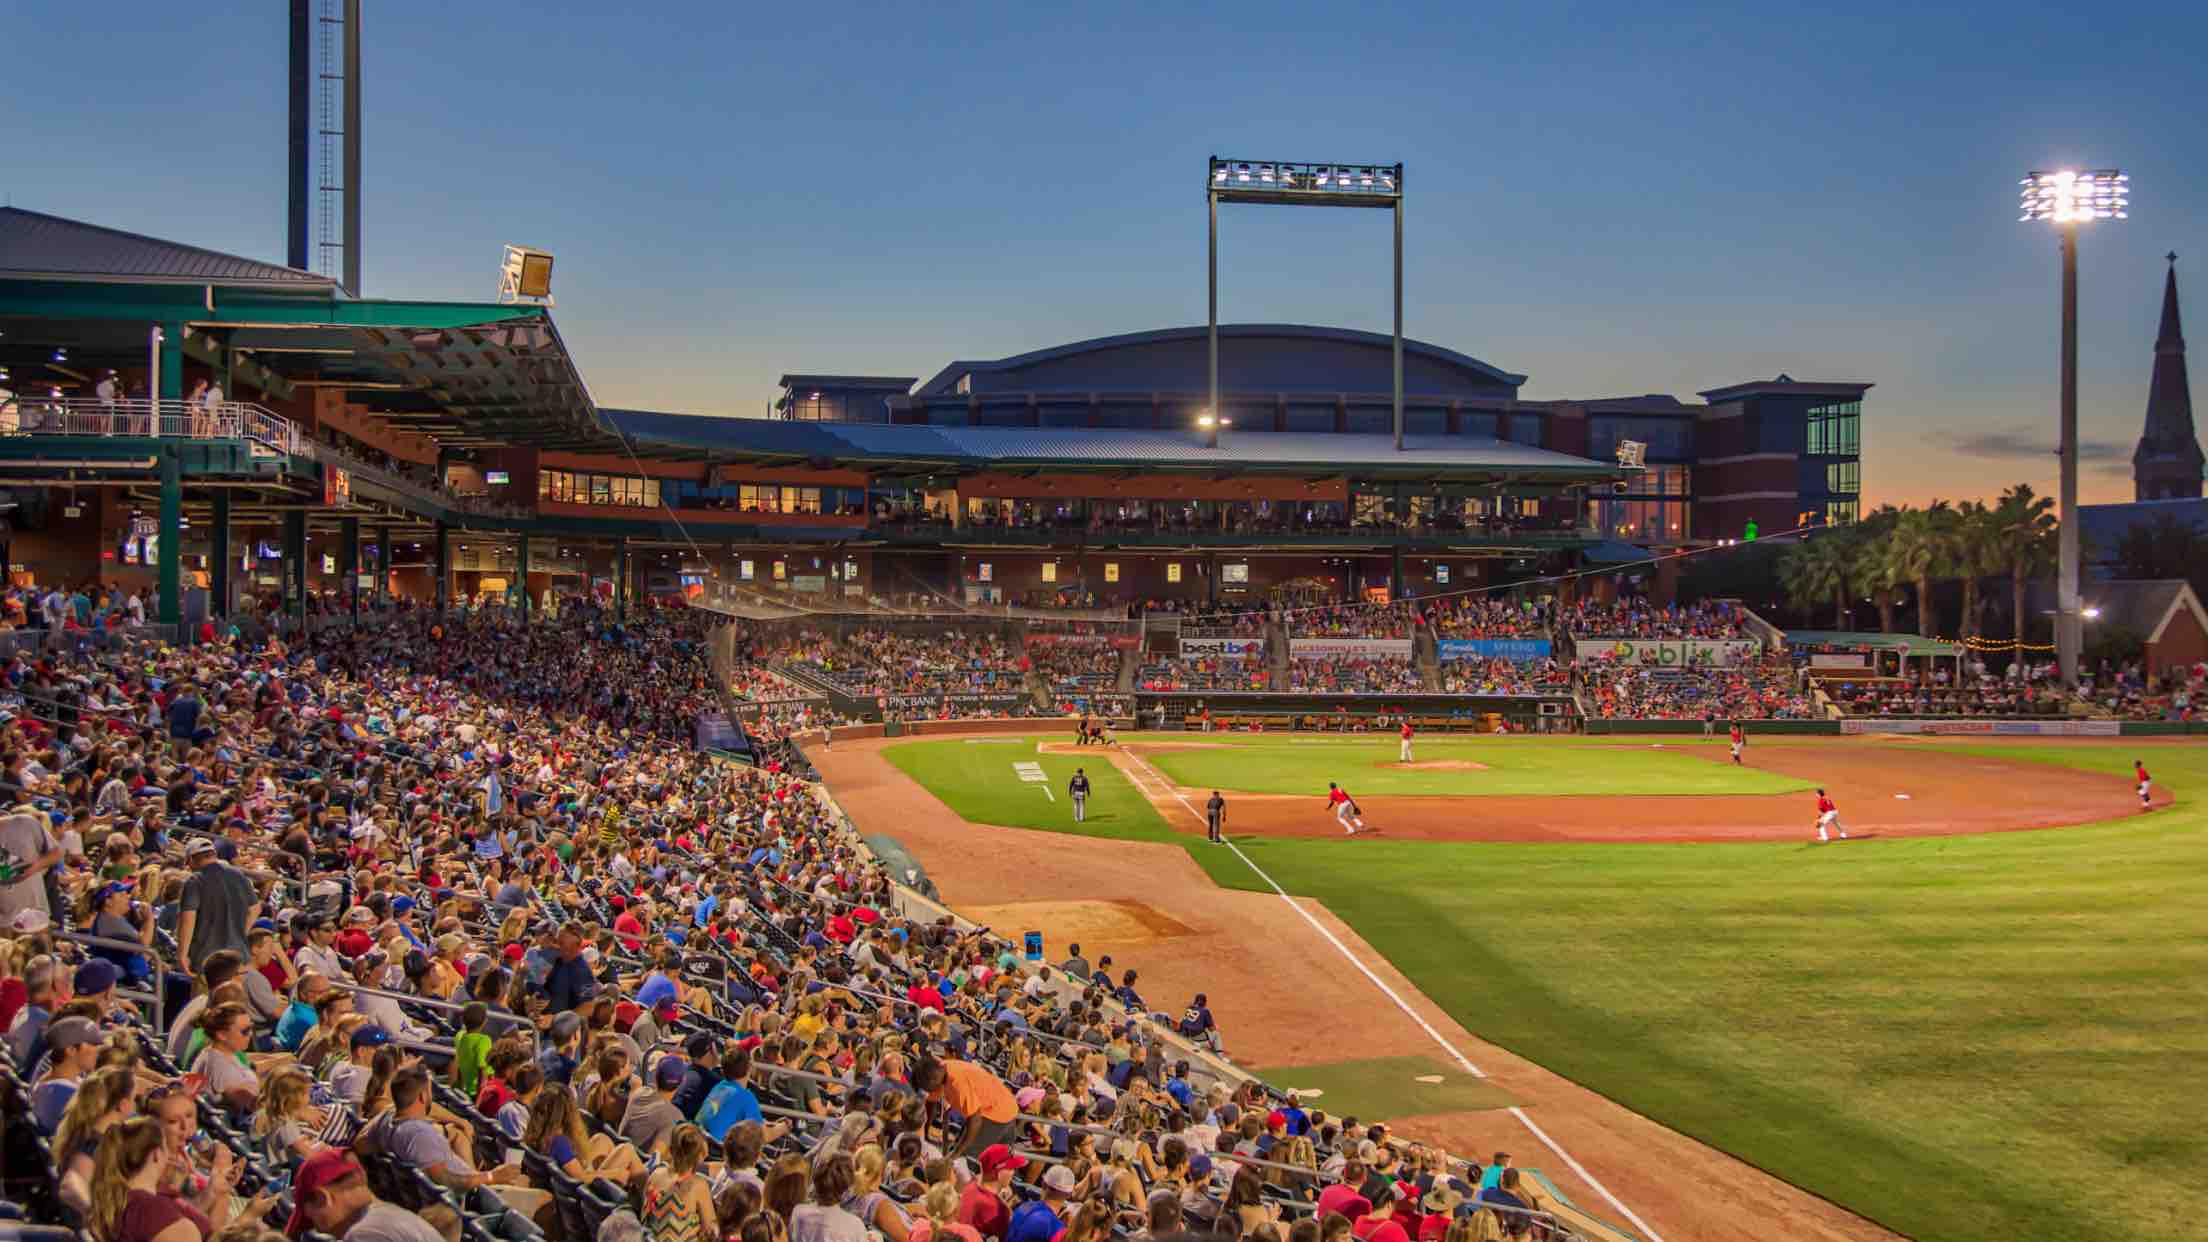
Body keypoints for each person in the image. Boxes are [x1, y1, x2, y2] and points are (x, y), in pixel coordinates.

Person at [290, 1147, 445, 1242]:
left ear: (323, 1198)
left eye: (312, 1221)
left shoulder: (365, 1233)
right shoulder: (383, 1217)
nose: (321, 1231)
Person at [176, 837, 257, 973]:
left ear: (190, 860)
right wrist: (239, 933)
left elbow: (188, 919)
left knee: (208, 995)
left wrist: (182, 955)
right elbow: (255, 908)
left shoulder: (195, 880)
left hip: (208, 961)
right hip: (239, 959)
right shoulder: (238, 874)